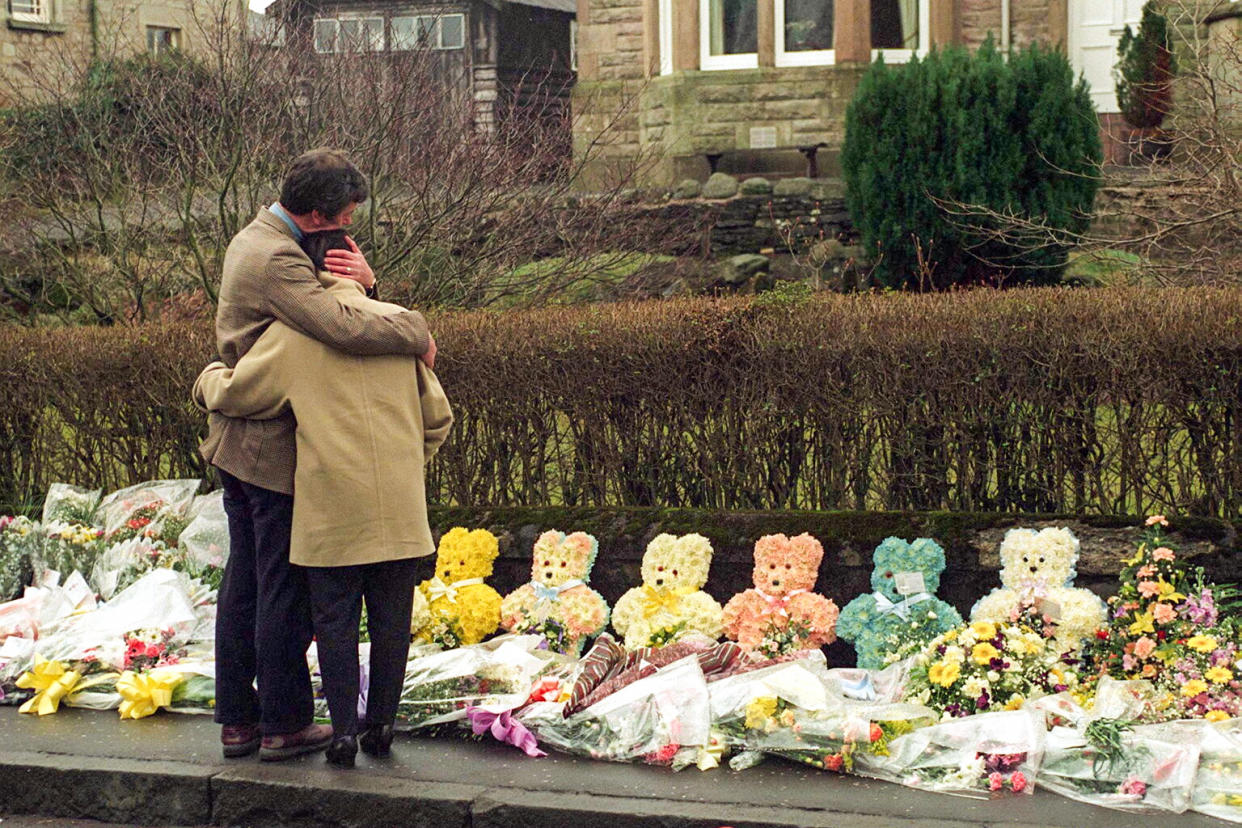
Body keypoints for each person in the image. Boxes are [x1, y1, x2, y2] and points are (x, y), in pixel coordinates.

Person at [201, 149, 435, 762]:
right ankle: (280, 723)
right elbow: (343, 328)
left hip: (247, 430)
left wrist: (365, 288)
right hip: (269, 440)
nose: (350, 228)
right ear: (315, 215)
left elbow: (339, 309)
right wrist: (414, 327)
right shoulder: (278, 257)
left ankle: (239, 721)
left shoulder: (254, 236)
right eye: (346, 217)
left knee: (247, 582)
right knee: (280, 587)